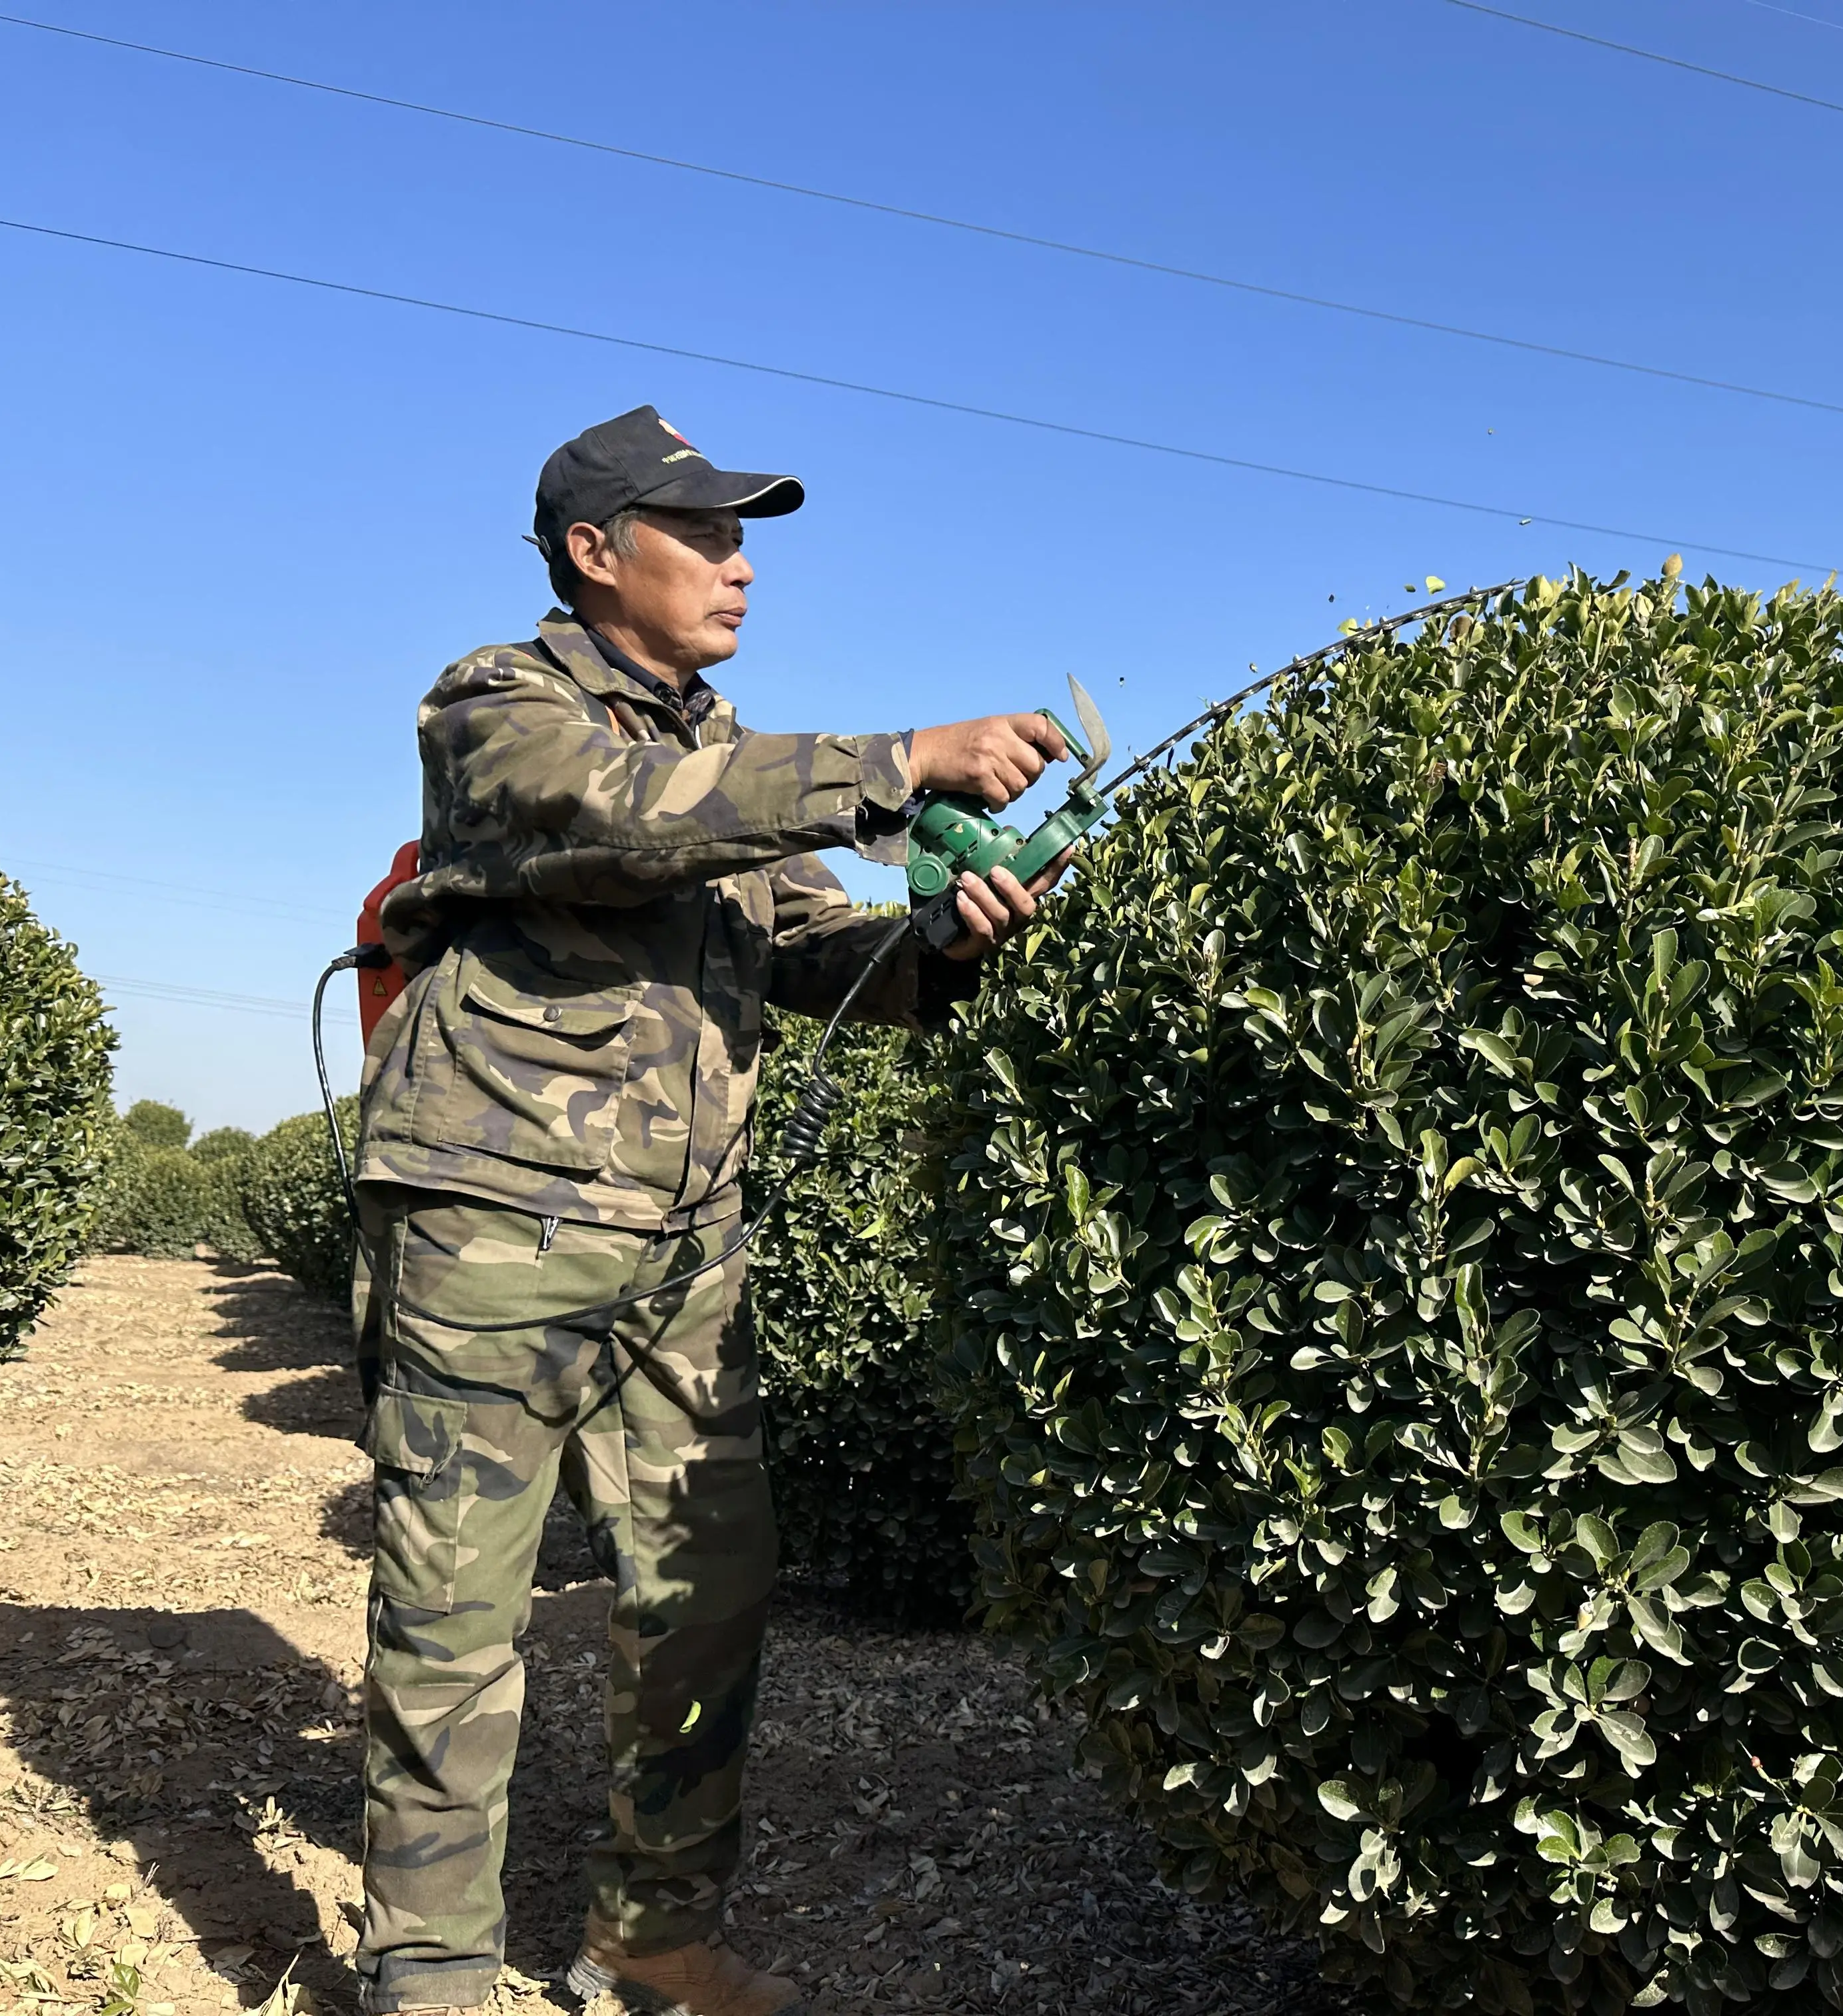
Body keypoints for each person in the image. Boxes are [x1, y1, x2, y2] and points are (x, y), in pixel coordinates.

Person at [346, 405, 1069, 2015]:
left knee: (706, 1594)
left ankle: (652, 1932)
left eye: (747, 540)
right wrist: (896, 764)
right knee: (455, 1615)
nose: (741, 568)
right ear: (597, 553)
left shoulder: (725, 762)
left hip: (686, 1250)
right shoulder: (499, 703)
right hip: (494, 1222)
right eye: (707, 535)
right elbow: (601, 816)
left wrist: (940, 939)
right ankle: (432, 1969)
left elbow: (820, 956)